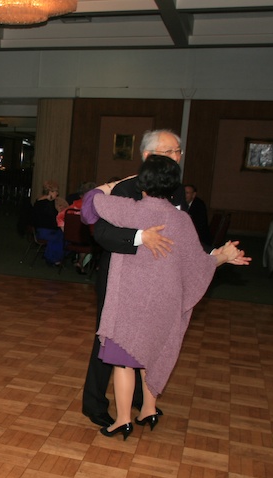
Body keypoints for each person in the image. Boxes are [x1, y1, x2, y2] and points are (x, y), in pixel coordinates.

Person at [81, 155, 250, 439]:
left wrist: (109, 186)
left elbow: (90, 202)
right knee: (152, 355)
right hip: (165, 302)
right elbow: (198, 260)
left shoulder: (131, 210)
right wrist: (222, 257)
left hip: (130, 301)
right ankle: (148, 409)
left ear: (142, 183)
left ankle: (122, 420)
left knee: (123, 361)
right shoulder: (181, 219)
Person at [80, 129, 184, 428]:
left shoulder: (175, 190)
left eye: (178, 151)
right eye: (171, 151)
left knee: (148, 339)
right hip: (120, 279)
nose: (177, 157)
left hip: (157, 281)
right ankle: (95, 404)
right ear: (149, 156)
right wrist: (140, 237)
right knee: (109, 342)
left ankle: (141, 402)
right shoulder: (126, 188)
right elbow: (102, 234)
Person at [31, 180, 66, 266]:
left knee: (63, 235)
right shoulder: (47, 204)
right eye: (56, 191)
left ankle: (51, 256)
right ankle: (52, 258)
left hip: (42, 229)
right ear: (50, 192)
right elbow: (52, 220)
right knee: (63, 237)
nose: (57, 194)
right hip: (44, 231)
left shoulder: (39, 201)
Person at [183, 183, 212, 249]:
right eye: (183, 193)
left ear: (193, 195)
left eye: (187, 193)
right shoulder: (182, 203)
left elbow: (199, 225)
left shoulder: (199, 205)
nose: (184, 195)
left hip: (200, 238)